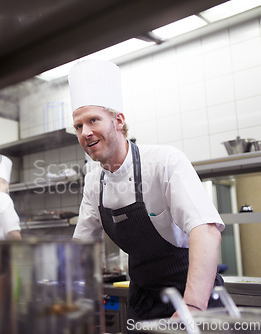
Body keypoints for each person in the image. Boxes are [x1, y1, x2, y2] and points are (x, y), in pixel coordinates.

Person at [68, 59, 224, 322]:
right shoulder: (94, 183)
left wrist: (194, 306)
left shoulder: (165, 162)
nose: (85, 132)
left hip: (194, 296)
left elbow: (205, 230)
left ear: (118, 120)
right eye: (78, 126)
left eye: (93, 120)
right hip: (143, 301)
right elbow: (81, 249)